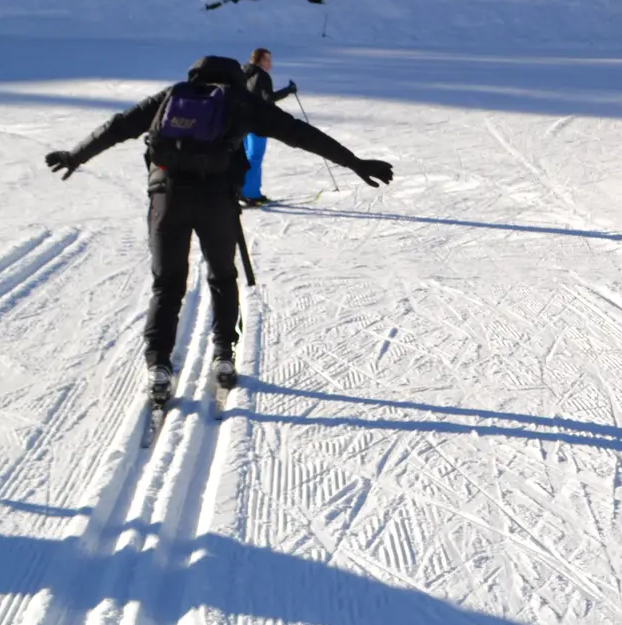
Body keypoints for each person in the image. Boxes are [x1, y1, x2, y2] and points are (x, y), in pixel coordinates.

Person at [45, 55, 393, 406]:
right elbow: (301, 134)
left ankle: (158, 366)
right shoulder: (241, 101)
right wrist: (354, 162)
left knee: (167, 283)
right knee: (223, 276)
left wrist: (76, 155)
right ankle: (224, 353)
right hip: (216, 201)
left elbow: (119, 125)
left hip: (167, 198)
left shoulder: (172, 96)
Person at [240, 47, 296, 207]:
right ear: (261, 60)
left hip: (242, 122)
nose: (270, 63)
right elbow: (268, 99)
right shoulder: (262, 76)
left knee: (245, 156)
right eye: (268, 59)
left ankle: (242, 190)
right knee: (255, 157)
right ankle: (251, 194)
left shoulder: (244, 73)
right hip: (258, 123)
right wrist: (288, 90)